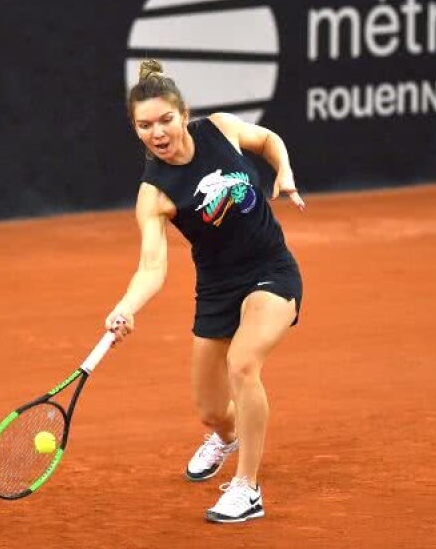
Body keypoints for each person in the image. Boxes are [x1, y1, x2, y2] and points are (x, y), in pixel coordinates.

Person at [104, 59, 307, 523]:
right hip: (216, 289)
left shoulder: (221, 130)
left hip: (271, 270)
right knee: (212, 410)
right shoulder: (154, 194)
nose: (157, 132)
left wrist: (285, 172)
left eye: (165, 119)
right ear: (135, 129)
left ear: (184, 113)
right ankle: (225, 435)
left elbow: (269, 140)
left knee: (243, 363)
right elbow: (152, 268)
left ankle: (247, 487)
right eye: (144, 125)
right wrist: (125, 307)